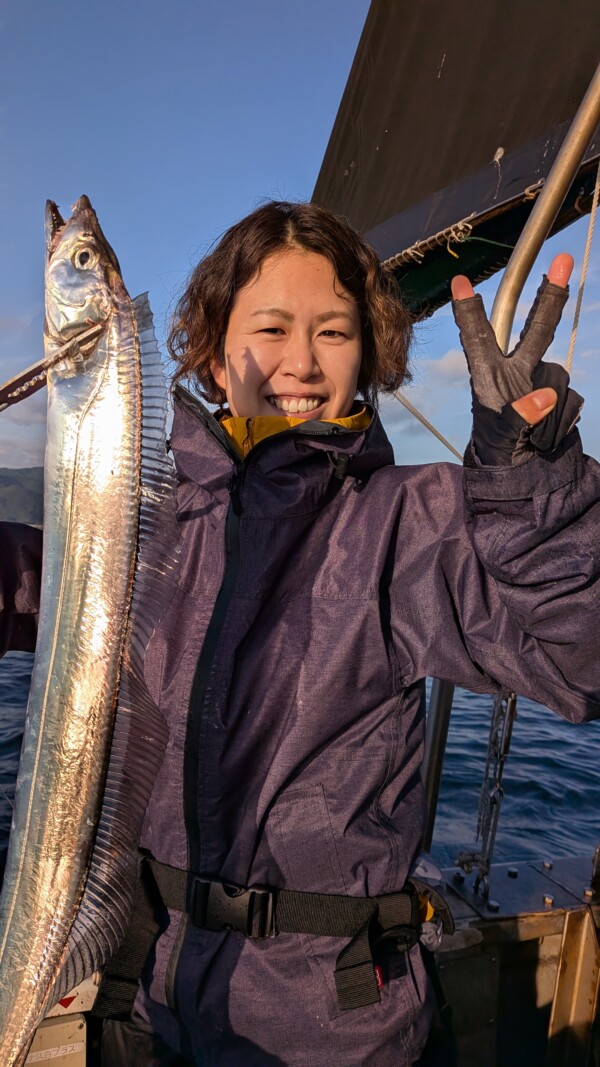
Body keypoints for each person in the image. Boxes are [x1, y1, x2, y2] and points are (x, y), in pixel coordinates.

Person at [2, 201, 600, 1067]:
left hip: (333, 1027)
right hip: (146, 1005)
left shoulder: (412, 523)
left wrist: (536, 498)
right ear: (212, 350)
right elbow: (43, 582)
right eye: (272, 327)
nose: (303, 361)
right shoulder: (148, 520)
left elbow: (575, 657)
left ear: (369, 353)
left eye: (335, 331)